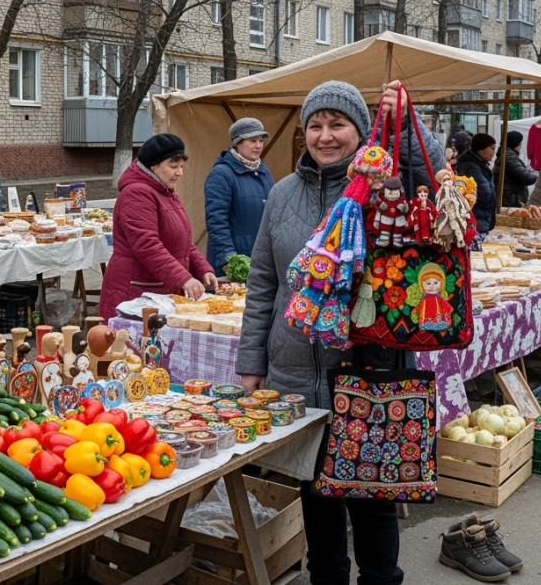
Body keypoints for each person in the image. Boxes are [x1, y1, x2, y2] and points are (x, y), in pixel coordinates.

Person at [237, 79, 443, 585]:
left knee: (373, 497)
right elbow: (263, 282)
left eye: (338, 124)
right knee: (315, 495)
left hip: (369, 368)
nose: (325, 136)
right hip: (295, 371)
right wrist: (251, 363)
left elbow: (437, 180)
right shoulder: (281, 194)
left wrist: (402, 126)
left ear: (361, 130)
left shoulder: (389, 187)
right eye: (315, 125)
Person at [99, 133, 216, 319]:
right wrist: (183, 278)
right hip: (135, 292)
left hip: (159, 290)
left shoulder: (166, 192)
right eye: (173, 166)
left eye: (182, 167)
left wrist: (202, 269)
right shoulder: (136, 193)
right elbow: (147, 245)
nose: (180, 172)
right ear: (153, 166)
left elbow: (181, 241)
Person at [204, 117, 274, 276]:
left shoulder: (264, 172)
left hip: (260, 260)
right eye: (252, 141)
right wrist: (230, 262)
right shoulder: (221, 174)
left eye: (261, 140)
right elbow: (216, 222)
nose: (258, 145)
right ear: (238, 143)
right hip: (234, 265)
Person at [455, 133, 498, 234]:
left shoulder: (479, 164)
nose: (494, 152)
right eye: (492, 148)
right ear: (481, 150)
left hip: (481, 218)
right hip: (476, 219)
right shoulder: (471, 167)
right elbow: (485, 194)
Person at [494, 130, 538, 208]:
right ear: (514, 144)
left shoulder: (507, 155)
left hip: (510, 198)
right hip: (510, 200)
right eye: (520, 143)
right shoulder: (508, 157)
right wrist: (539, 174)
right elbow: (527, 177)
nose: (521, 145)